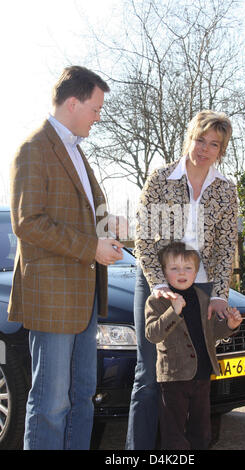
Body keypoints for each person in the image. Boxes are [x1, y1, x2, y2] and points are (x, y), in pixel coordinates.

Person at [8, 65, 124, 450]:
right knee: (50, 403)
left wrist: (109, 226)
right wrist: (92, 247)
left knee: (82, 397)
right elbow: (28, 223)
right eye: (95, 108)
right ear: (72, 103)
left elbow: (86, 215)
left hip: (84, 296)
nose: (98, 116)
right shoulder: (33, 149)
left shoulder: (76, 151)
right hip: (53, 300)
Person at [126, 110, 238, 449]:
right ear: (189, 138)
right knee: (150, 376)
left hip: (202, 289)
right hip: (157, 285)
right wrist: (159, 283)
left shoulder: (226, 190)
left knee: (197, 376)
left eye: (213, 144)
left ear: (221, 150)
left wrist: (219, 294)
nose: (203, 149)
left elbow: (224, 246)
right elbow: (144, 236)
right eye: (199, 140)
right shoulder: (161, 178)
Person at [145, 242, 242, 450]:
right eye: (174, 268)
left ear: (196, 272)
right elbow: (152, 334)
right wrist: (173, 311)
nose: (182, 273)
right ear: (164, 272)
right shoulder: (157, 301)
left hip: (202, 374)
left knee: (202, 429)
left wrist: (229, 325)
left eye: (188, 268)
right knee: (174, 433)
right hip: (174, 377)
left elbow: (211, 333)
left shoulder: (202, 297)